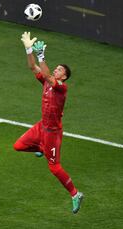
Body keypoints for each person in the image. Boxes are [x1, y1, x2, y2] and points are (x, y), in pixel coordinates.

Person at [14, 32, 84, 214]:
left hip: (52, 133)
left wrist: (42, 56)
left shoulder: (61, 87)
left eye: (60, 70)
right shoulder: (48, 81)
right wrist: (28, 49)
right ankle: (40, 148)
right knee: (18, 146)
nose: (56, 70)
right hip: (41, 127)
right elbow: (32, 67)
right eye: (57, 68)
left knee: (54, 167)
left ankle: (75, 194)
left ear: (65, 77)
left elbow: (47, 75)